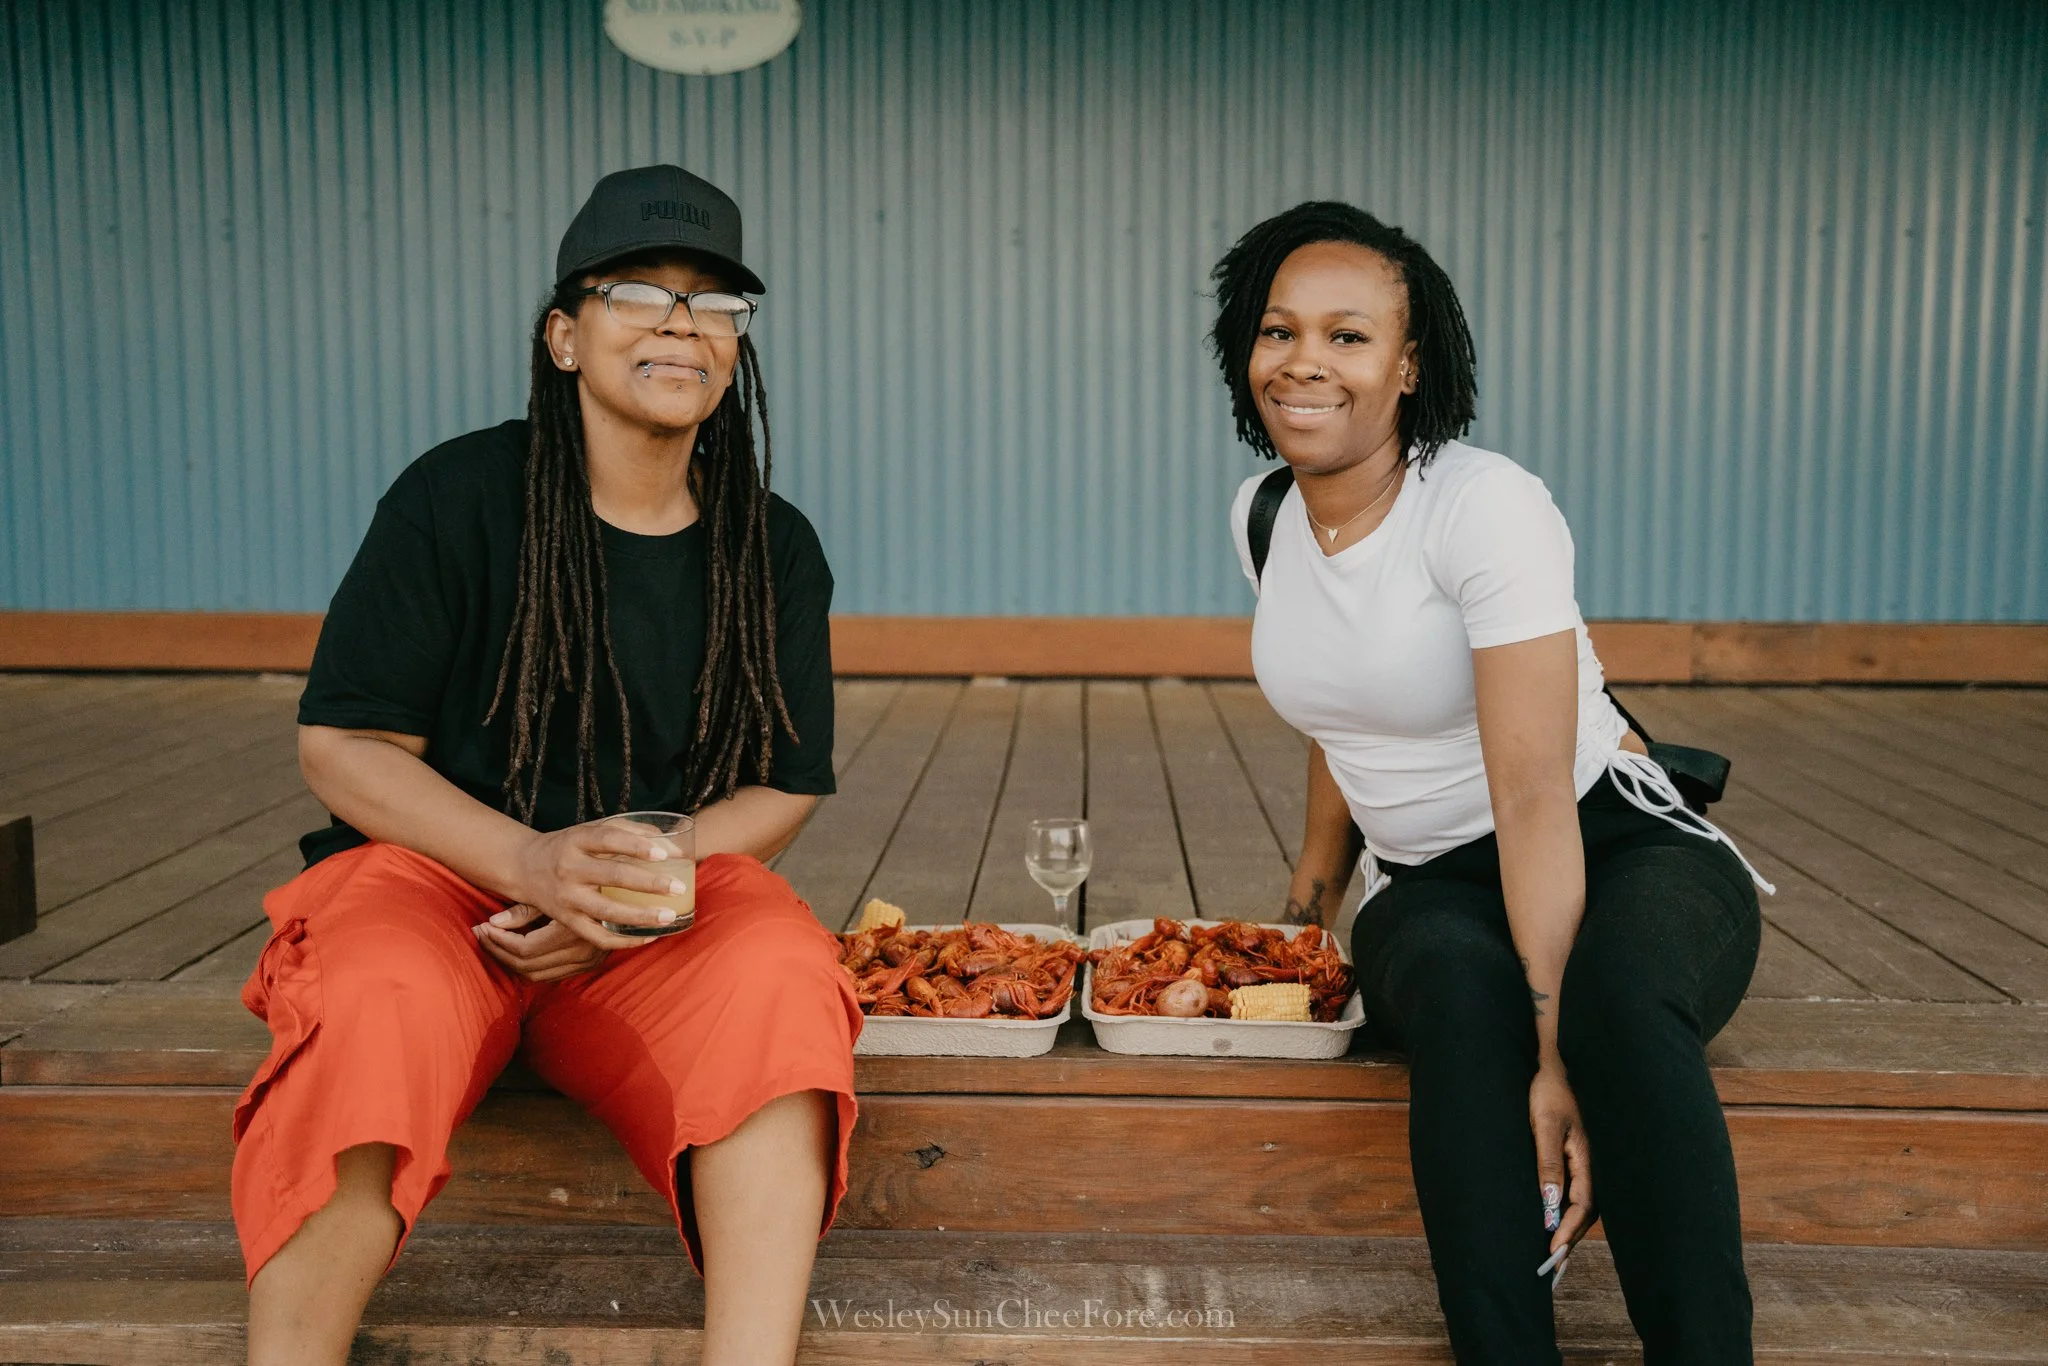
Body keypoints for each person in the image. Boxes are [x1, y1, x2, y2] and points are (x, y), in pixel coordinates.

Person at [233, 164, 857, 1366]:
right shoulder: (457, 496)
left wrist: (621, 886)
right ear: (564, 336)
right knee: (368, 1005)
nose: (683, 324)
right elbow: (345, 744)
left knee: (780, 969)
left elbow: (785, 780)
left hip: (651, 904)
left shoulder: (769, 546)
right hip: (437, 880)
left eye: (716, 305)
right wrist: (531, 861)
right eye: (641, 293)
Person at [1211, 201, 1771, 1364]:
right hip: (1426, 883)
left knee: (1615, 1009)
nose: (1304, 361)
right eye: (1279, 330)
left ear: (1410, 364)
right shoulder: (1262, 515)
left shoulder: (1482, 505)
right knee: (1461, 1008)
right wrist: (1309, 904)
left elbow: (1528, 797)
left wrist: (1557, 1053)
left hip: (1609, 842)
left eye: (1348, 335)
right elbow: (1340, 710)